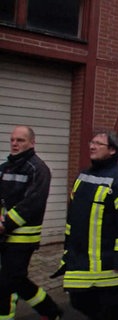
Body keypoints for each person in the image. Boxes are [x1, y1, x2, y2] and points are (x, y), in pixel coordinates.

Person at [58, 130, 118, 319]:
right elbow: (73, 218)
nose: (92, 146)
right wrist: (68, 250)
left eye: (98, 143)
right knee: (78, 301)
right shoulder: (83, 176)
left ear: (112, 150)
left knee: (108, 312)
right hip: (80, 261)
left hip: (109, 266)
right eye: (91, 142)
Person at [0, 126, 62, 320]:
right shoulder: (4, 168)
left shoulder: (39, 169)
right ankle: (50, 311)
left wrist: (6, 223)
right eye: (12, 140)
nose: (15, 144)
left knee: (8, 281)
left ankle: (48, 311)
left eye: (20, 140)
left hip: (22, 237)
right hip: (3, 233)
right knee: (13, 280)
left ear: (32, 143)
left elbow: (32, 204)